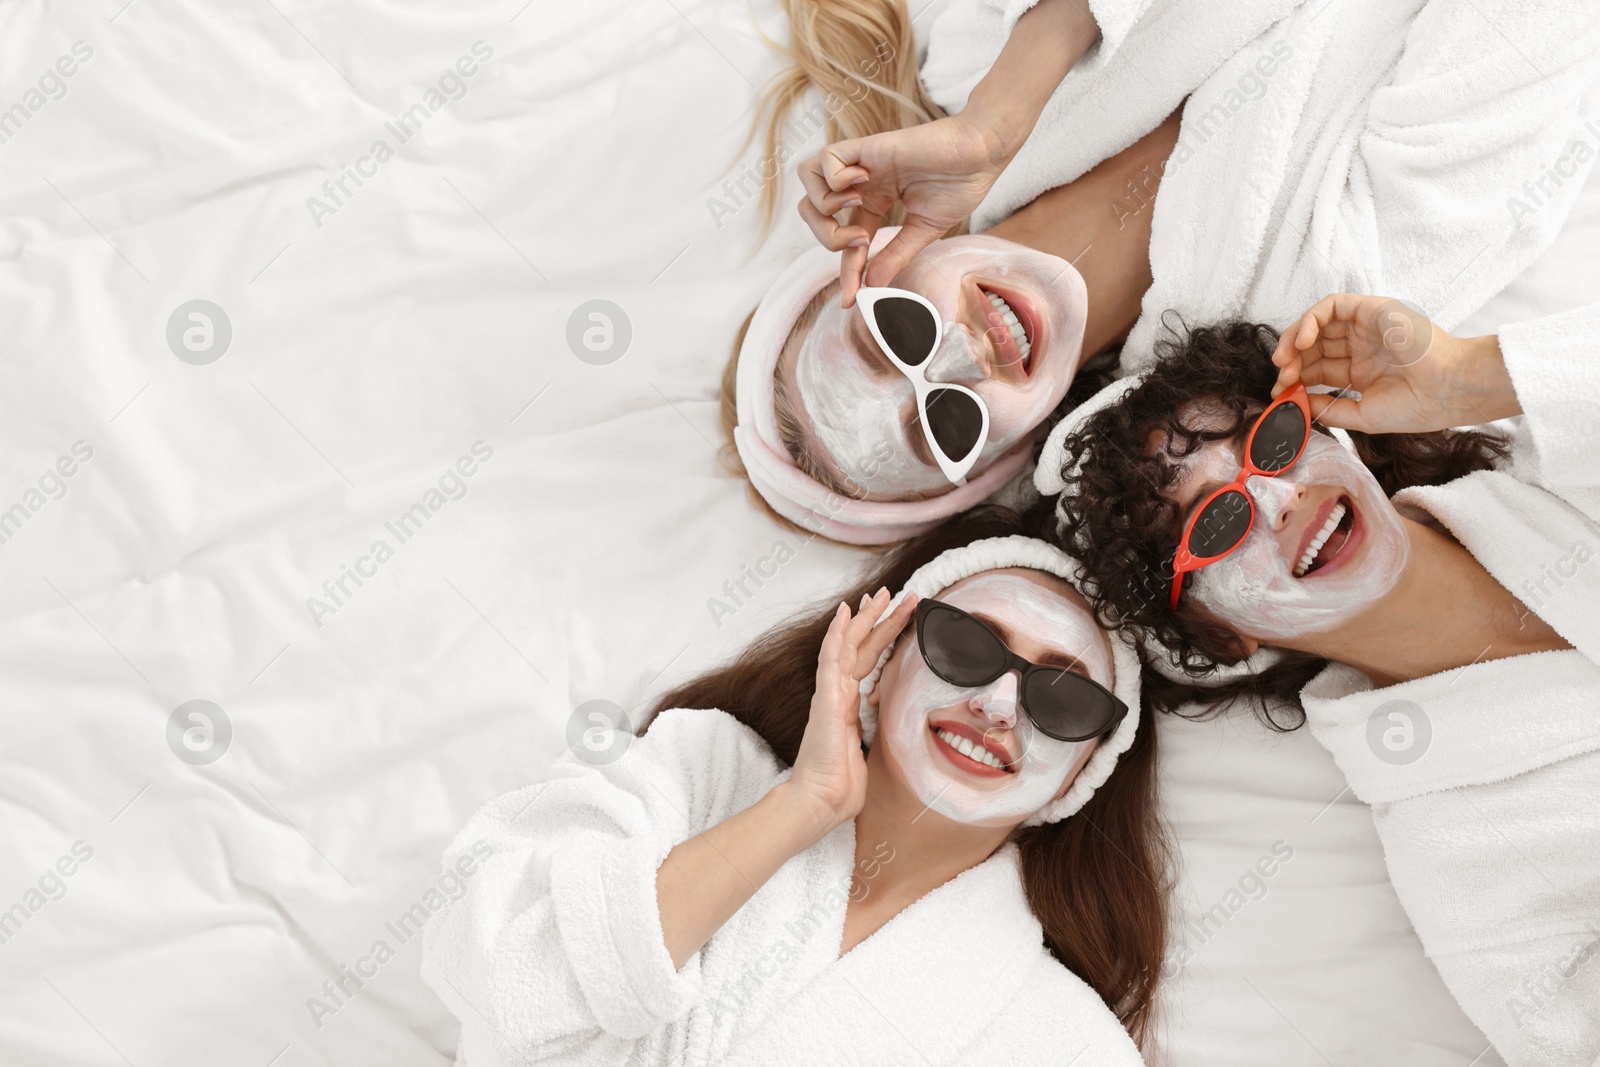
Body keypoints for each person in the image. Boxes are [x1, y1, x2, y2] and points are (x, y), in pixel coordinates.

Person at [1043, 295, 1600, 1066]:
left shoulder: (1567, 453)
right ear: (1222, 634)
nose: (1277, 500)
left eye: (1272, 442)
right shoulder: (1458, 853)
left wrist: (1467, 376)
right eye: (1215, 523)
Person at [421, 510, 1170, 1065]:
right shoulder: (698, 770)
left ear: (1085, 774)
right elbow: (489, 966)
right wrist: (800, 805)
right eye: (966, 645)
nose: (999, 706)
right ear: (880, 664)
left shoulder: (1065, 1044)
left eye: (1064, 701)